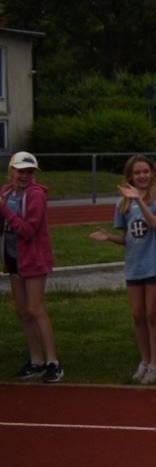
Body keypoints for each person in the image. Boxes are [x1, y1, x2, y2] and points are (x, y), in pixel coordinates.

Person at [92, 155, 156, 384]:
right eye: (137, 173)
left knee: (152, 314)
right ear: (130, 177)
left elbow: (155, 223)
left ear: (152, 173)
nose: (142, 176)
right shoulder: (123, 204)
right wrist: (110, 237)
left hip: (154, 265)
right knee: (137, 315)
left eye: (146, 171)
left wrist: (139, 200)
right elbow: (129, 238)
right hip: (134, 266)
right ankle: (144, 360)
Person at [2, 151, 62, 383]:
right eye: (20, 171)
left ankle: (53, 362)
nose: (25, 176)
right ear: (11, 171)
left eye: (29, 172)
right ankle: (35, 360)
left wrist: (4, 210)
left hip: (33, 258)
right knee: (22, 310)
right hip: (14, 258)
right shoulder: (6, 193)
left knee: (36, 309)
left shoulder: (36, 195)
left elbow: (28, 230)